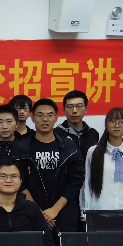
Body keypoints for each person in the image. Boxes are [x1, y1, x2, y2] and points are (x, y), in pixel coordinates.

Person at [26, 99, 85, 234]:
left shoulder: (69, 148)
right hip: (31, 215)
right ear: (33, 118)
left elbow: (76, 181)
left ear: (56, 118)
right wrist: (37, 212)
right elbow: (20, 182)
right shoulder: (23, 148)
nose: (45, 119)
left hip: (64, 214)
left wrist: (55, 209)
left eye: (50, 115)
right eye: (40, 115)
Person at [81, 108, 123, 213]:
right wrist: (86, 211)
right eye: (112, 121)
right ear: (106, 124)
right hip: (100, 210)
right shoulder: (93, 151)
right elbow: (87, 184)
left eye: (121, 122)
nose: (117, 125)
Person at [57, 91, 100, 157]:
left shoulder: (93, 133)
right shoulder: (56, 134)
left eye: (79, 106)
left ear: (86, 109)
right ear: (63, 110)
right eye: (70, 107)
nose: (74, 111)